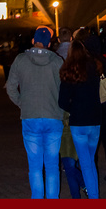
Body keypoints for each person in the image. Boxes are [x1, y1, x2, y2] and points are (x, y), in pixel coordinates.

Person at [5, 26, 63, 199]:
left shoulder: (21, 60)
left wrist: (22, 103)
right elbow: (65, 88)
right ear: (49, 43)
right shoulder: (57, 61)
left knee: (35, 166)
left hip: (30, 117)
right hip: (53, 116)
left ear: (33, 41)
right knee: (52, 165)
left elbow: (10, 87)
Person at [58, 35, 102, 199]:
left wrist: (73, 108)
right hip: (95, 119)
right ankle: (93, 195)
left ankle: (94, 197)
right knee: (90, 161)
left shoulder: (69, 72)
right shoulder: (94, 68)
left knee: (86, 164)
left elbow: (62, 102)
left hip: (78, 123)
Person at [83, 31, 106, 186]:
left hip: (90, 107)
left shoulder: (83, 64)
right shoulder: (105, 62)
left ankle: (92, 173)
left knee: (91, 143)